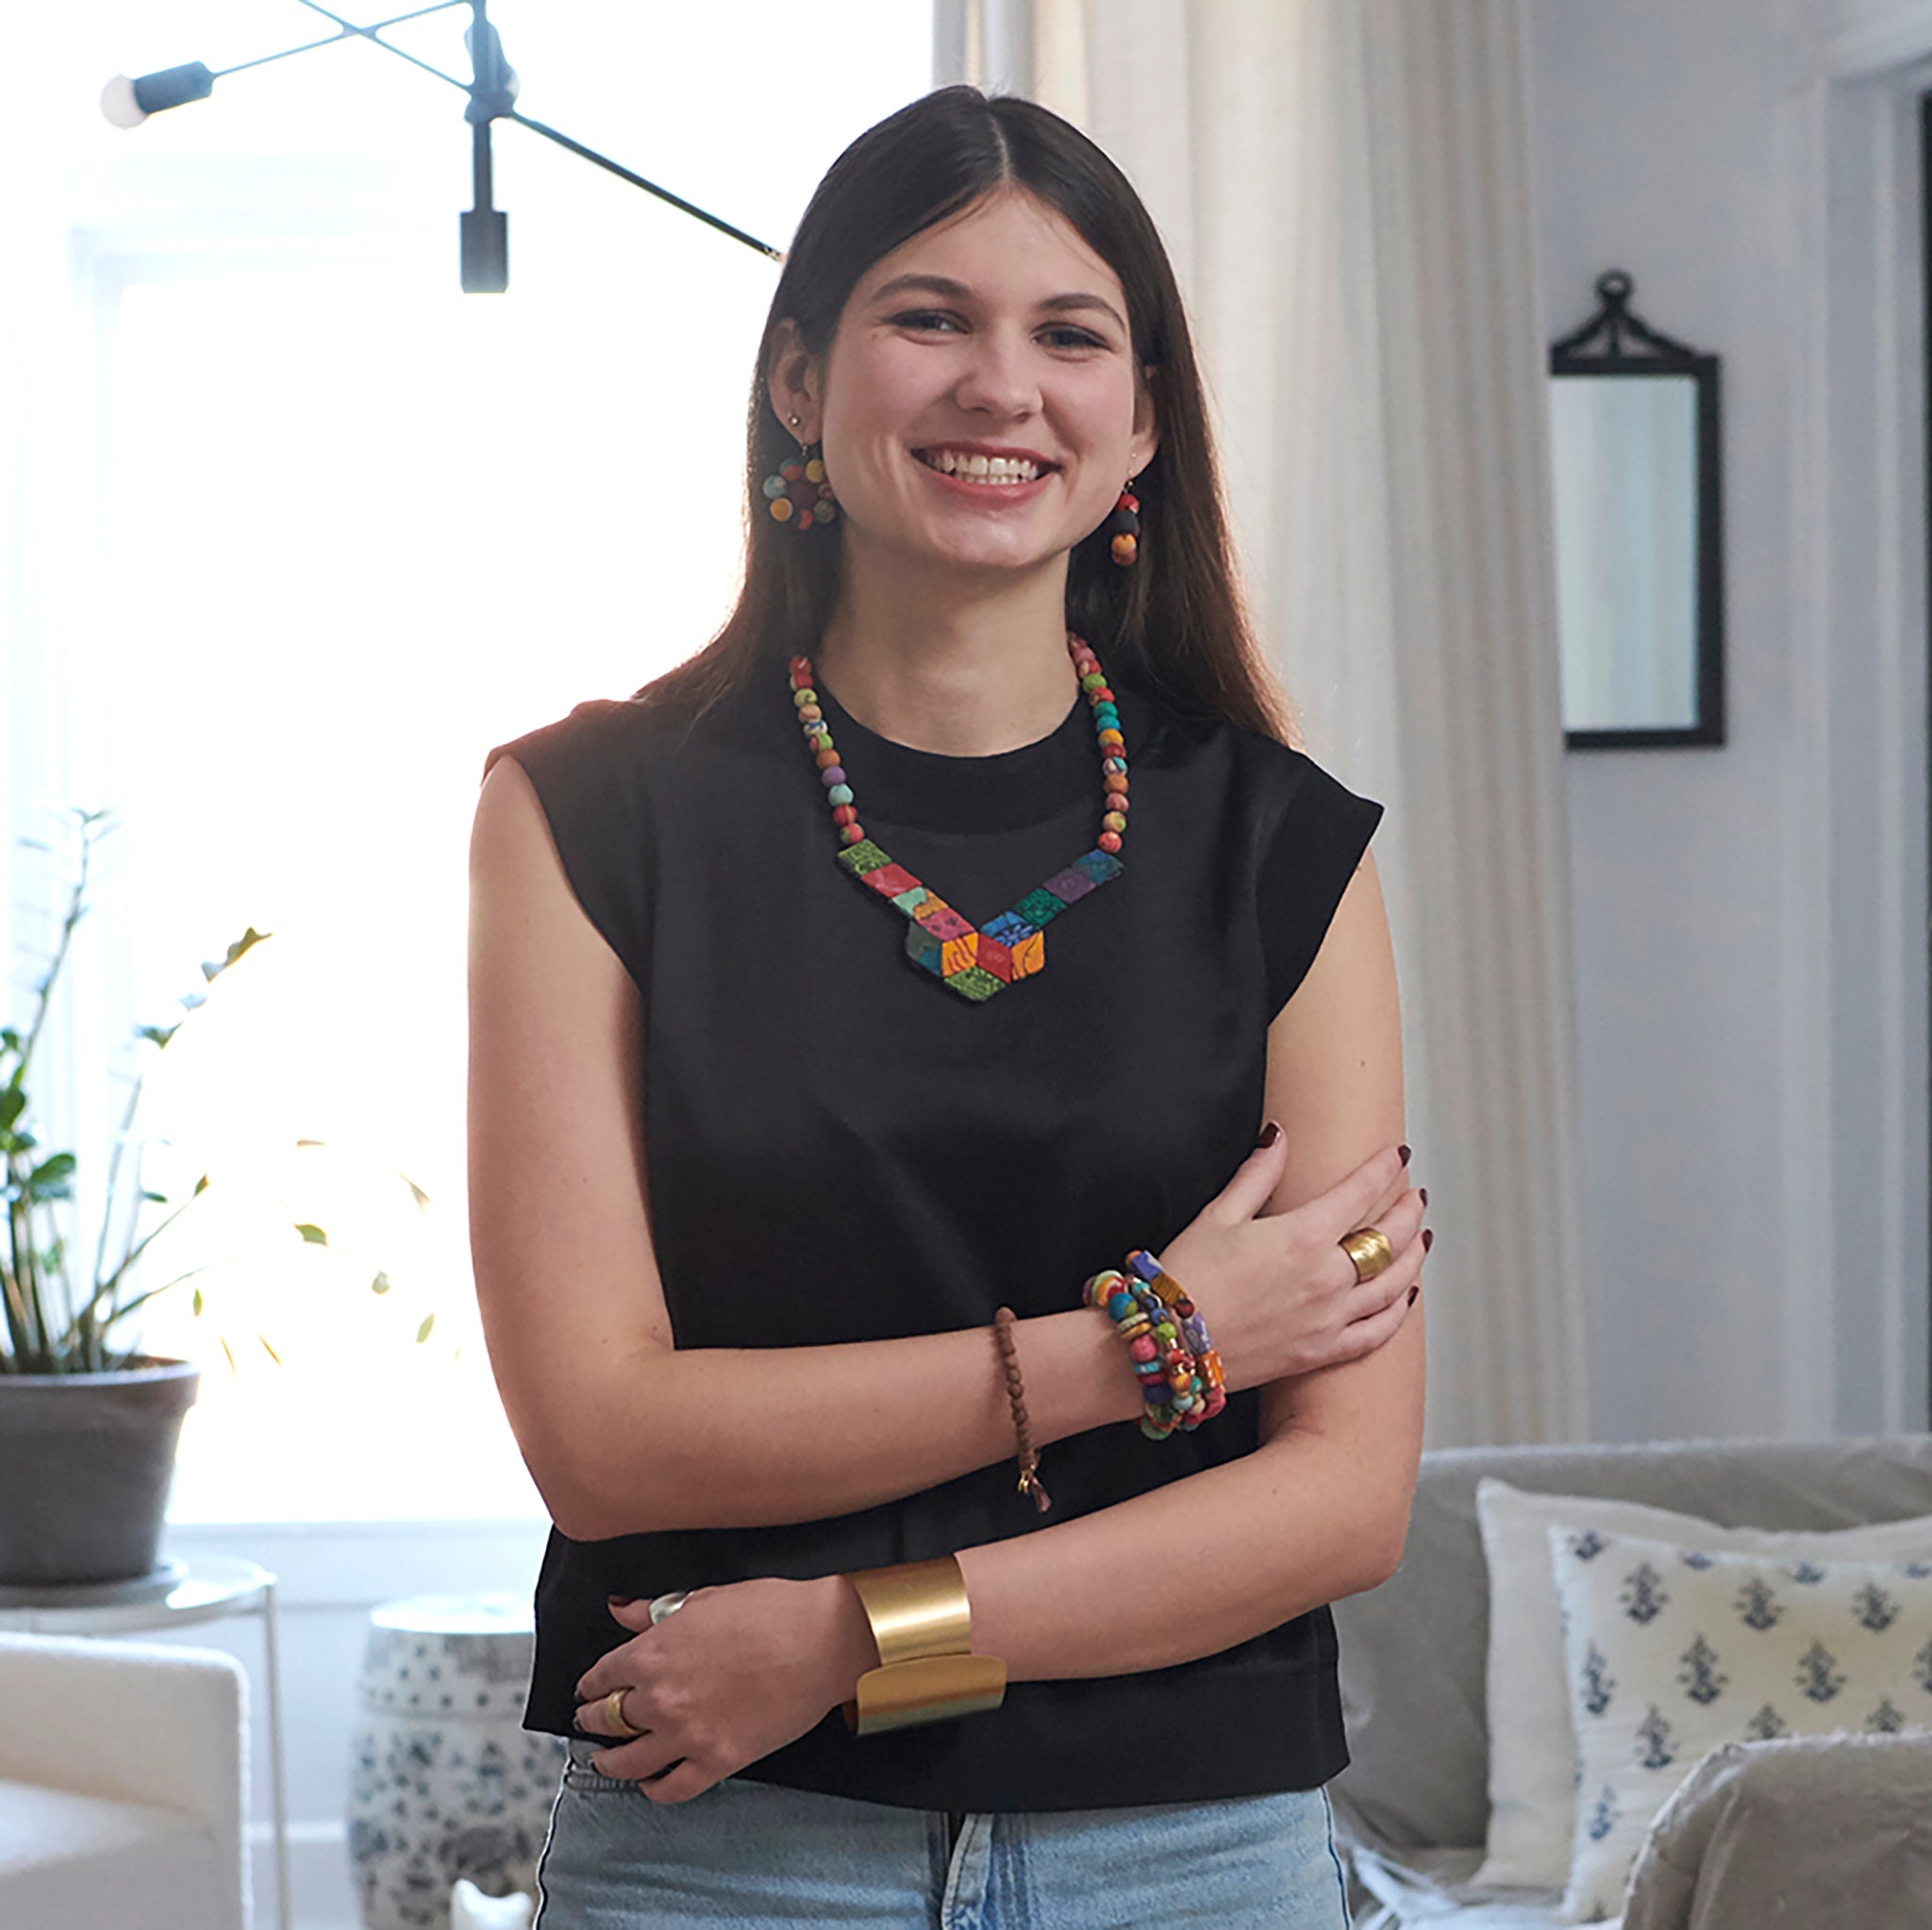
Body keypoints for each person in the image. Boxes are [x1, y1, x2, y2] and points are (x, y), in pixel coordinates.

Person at [467, 82, 1426, 1930]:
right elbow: (598, 1432)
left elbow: (1342, 1504)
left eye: (1070, 336)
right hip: (724, 1855)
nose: (1003, 387)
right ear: (799, 381)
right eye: (931, 320)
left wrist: (848, 1638)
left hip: (1196, 1854)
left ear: (1140, 427)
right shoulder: (583, 819)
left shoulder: (1282, 846)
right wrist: (1154, 1343)